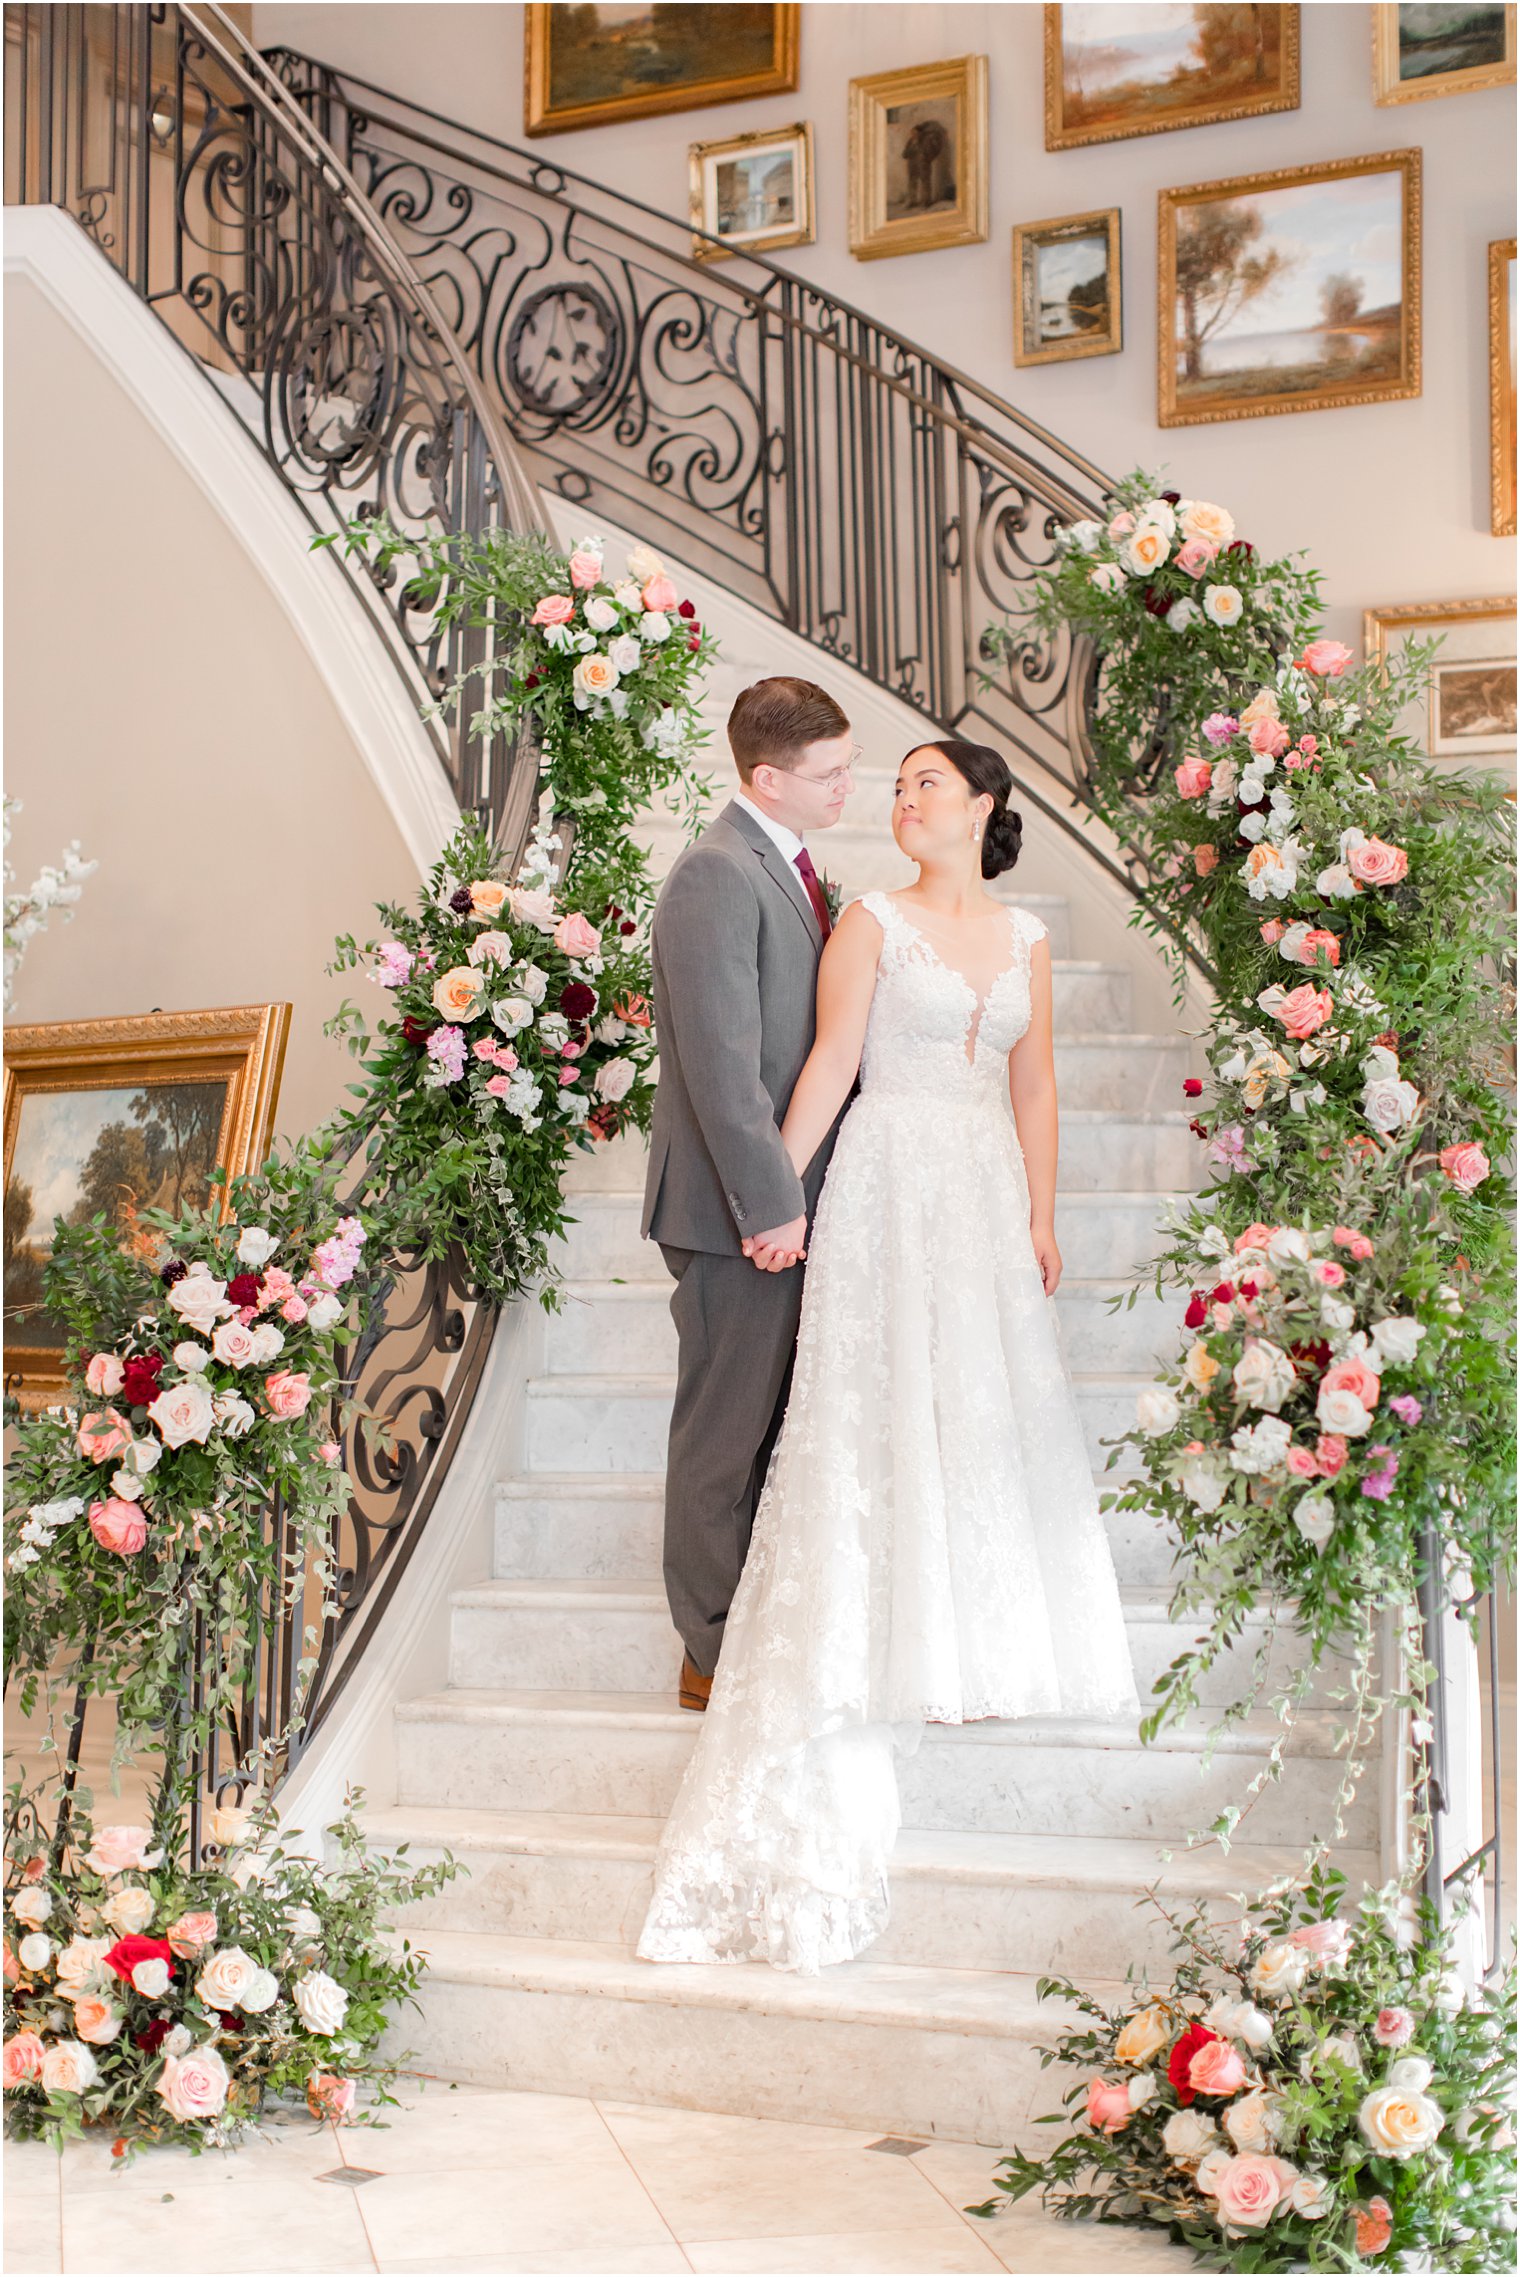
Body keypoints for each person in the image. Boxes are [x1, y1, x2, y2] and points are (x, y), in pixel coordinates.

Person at [637, 738, 1138, 1973]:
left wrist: (1039, 1211)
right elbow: (828, 1064)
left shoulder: (1023, 937)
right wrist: (783, 1195)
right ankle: (867, 1634)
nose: (902, 800)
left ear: (981, 808)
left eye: (926, 784)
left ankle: (972, 1643)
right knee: (874, 1414)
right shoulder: (863, 917)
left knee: (973, 1415)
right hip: (879, 1185)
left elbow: (1035, 1088)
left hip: (976, 1189)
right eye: (895, 784)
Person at [643, 676, 856, 1713]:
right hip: (738, 1213)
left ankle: (752, 1628)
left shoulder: (793, 867)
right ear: (766, 776)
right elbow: (721, 1066)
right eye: (828, 774)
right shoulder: (713, 875)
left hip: (792, 1200)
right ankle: (707, 1649)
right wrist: (771, 1204)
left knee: (774, 1427)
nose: (847, 789)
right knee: (723, 1434)